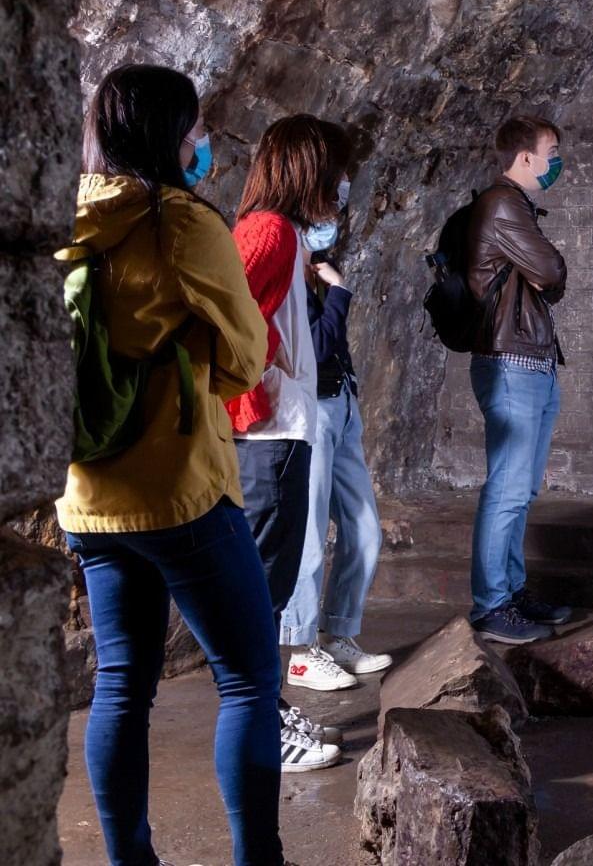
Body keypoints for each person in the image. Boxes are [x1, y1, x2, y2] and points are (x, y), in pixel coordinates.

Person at [57, 64, 286, 865]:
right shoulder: (179, 222)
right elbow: (246, 357)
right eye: (195, 130)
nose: (203, 145)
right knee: (252, 681)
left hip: (88, 495)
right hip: (180, 490)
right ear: (170, 136)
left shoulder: (65, 218)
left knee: (121, 685)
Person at [228, 115, 350, 771]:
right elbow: (221, 313)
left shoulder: (284, 237)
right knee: (259, 591)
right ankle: (259, 730)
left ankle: (267, 707)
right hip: (266, 434)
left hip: (281, 428)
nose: (342, 185)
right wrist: (253, 392)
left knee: (269, 589)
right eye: (337, 170)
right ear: (312, 168)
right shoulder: (269, 232)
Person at [280, 155, 392, 690]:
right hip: (314, 411)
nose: (341, 206)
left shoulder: (314, 259)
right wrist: (340, 294)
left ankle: (340, 634)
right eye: (336, 194)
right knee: (308, 536)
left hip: (342, 405)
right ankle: (301, 651)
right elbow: (314, 346)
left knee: (364, 528)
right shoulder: (288, 262)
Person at [464, 115, 573, 644]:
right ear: (525, 157)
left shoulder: (517, 206)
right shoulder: (504, 204)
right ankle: (491, 605)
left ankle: (510, 589)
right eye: (551, 153)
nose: (556, 163)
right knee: (507, 488)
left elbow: (544, 279)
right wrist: (547, 268)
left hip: (529, 359)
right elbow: (551, 273)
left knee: (521, 488)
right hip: (512, 363)